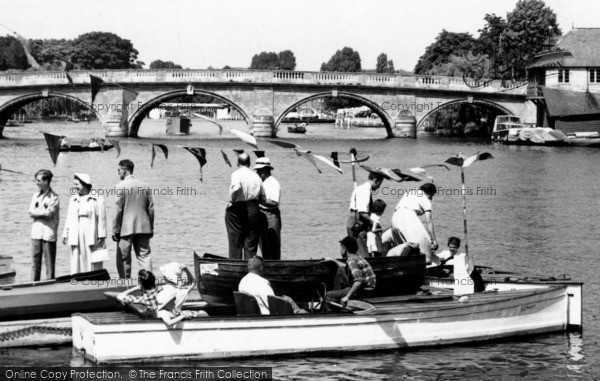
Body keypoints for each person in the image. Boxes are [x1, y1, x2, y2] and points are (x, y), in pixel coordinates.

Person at [112, 159, 154, 278]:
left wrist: (115, 229)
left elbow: (117, 210)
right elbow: (151, 209)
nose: (118, 172)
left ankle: (125, 285)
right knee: (144, 256)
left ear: (124, 170)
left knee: (123, 258)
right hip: (144, 227)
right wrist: (151, 227)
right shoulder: (145, 186)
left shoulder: (120, 186)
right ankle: (148, 283)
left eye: (119, 170)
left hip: (125, 228)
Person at [117, 270, 197, 328]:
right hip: (174, 313)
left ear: (141, 284)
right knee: (201, 312)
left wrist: (136, 288)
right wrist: (186, 270)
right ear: (154, 281)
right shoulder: (166, 289)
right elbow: (192, 283)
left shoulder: (143, 298)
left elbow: (119, 296)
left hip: (163, 315)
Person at [62, 173, 107, 274]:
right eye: (74, 184)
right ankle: (77, 277)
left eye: (77, 184)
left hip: (90, 230)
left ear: (84, 184)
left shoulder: (97, 198)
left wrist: (102, 236)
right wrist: (65, 233)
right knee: (76, 255)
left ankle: (93, 277)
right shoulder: (73, 199)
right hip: (75, 230)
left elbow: (102, 219)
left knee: (91, 255)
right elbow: (68, 217)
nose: (74, 187)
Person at [225, 153, 264, 259]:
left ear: (238, 162)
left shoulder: (236, 174)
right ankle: (250, 268)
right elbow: (263, 198)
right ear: (249, 163)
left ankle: (236, 266)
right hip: (253, 208)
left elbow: (236, 188)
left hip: (238, 208)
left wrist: (232, 200)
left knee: (235, 241)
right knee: (251, 242)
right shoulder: (256, 177)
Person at [238, 256, 306, 315]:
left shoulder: (242, 281)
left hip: (253, 312)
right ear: (261, 268)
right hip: (268, 315)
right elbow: (273, 304)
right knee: (303, 312)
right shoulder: (263, 282)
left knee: (287, 298)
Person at [322, 236, 376, 307]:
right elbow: (347, 267)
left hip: (362, 291)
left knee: (328, 295)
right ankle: (337, 295)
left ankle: (336, 311)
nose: (340, 250)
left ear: (344, 249)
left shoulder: (351, 260)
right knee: (341, 269)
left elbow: (359, 281)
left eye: (341, 248)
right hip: (369, 289)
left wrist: (347, 297)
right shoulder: (357, 257)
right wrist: (333, 260)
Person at [391, 182, 438, 263]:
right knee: (425, 241)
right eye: (431, 196)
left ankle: (402, 264)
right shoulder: (425, 198)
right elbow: (429, 221)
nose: (431, 199)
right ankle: (426, 263)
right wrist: (434, 240)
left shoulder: (410, 193)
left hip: (395, 218)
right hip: (408, 216)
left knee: (404, 245)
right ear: (429, 193)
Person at [28, 169, 59, 281]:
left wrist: (38, 213)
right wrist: (42, 213)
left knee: (49, 263)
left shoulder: (54, 197)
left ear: (46, 181)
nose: (36, 183)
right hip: (36, 233)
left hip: (48, 234)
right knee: (35, 263)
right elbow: (31, 212)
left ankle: (49, 285)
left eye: (38, 180)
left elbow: (49, 214)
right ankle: (33, 285)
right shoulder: (35, 195)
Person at [346, 172, 385, 257]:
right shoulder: (365, 190)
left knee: (357, 251)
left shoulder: (360, 188)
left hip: (354, 221)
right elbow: (363, 213)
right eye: (379, 184)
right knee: (362, 254)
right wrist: (374, 224)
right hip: (356, 223)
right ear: (375, 181)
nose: (379, 187)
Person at [254, 157, 281, 260]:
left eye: (259, 170)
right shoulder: (263, 182)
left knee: (272, 246)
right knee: (264, 246)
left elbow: (274, 202)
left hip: (271, 215)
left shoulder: (273, 183)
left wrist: (259, 201)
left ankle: (274, 266)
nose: (257, 173)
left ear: (266, 170)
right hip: (262, 214)